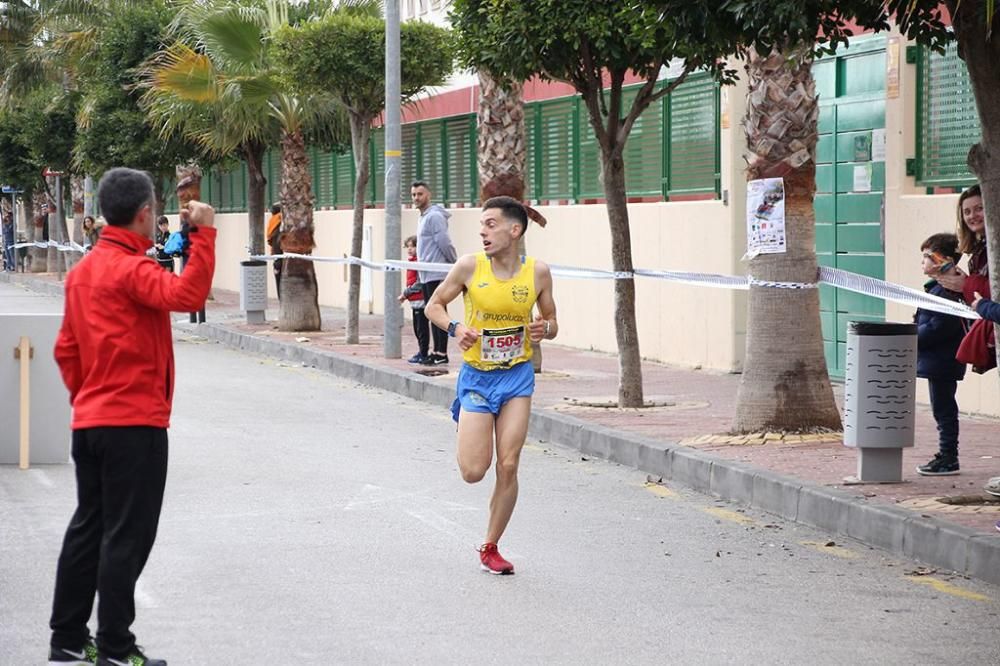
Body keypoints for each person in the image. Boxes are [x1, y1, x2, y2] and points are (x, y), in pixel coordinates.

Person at [48, 168, 217, 666]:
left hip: (92, 422)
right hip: (134, 425)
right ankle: (117, 648)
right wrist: (203, 235)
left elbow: (66, 351)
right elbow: (187, 296)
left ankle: (68, 640)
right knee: (127, 536)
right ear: (145, 214)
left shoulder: (83, 273)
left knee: (88, 529)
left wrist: (91, 399)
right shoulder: (131, 270)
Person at [425, 196, 558, 575]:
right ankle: (466, 414)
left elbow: (552, 321)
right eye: (481, 225)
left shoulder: (538, 272)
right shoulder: (469, 266)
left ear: (514, 230)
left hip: (517, 376)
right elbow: (435, 305)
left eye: (490, 224)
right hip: (478, 377)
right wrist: (456, 328)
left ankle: (490, 546)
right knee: (473, 471)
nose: (482, 232)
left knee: (510, 463)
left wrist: (543, 329)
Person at [936, 185, 1000, 498]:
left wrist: (965, 285)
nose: (973, 215)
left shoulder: (991, 248)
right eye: (967, 211)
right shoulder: (977, 250)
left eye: (979, 208)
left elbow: (989, 293)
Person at [913, 233, 968, 476]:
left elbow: (940, 325)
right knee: (941, 407)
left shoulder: (948, 291)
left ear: (943, 260)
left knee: (944, 409)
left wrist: (912, 336)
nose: (923, 262)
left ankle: (948, 456)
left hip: (943, 360)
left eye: (927, 257)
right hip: (937, 360)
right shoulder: (936, 288)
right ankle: (946, 454)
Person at [412, 181, 457, 365]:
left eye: (420, 194)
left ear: (428, 195)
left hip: (436, 273)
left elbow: (444, 242)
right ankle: (436, 351)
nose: (416, 198)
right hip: (426, 273)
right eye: (414, 194)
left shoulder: (434, 217)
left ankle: (441, 352)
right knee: (431, 313)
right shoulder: (423, 217)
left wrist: (454, 263)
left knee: (438, 312)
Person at [398, 235, 429, 364]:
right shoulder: (411, 262)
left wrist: (405, 293)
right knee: (417, 328)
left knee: (421, 328)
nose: (410, 249)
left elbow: (419, 283)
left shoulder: (418, 262)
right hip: (414, 301)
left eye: (413, 246)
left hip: (420, 300)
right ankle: (421, 351)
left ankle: (423, 353)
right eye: (408, 247)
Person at [266, 203, 283, 299]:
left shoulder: (272, 222)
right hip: (280, 258)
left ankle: (280, 298)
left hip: (276, 257)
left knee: (278, 279)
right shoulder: (279, 221)